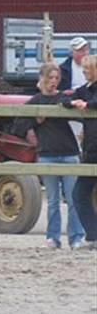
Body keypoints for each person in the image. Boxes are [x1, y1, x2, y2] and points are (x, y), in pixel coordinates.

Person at [16, 63, 84, 249]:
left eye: (56, 78)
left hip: (69, 153)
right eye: (50, 78)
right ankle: (53, 237)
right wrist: (35, 120)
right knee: (53, 200)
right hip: (47, 154)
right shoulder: (34, 101)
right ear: (43, 79)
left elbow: (81, 115)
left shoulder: (62, 98)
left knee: (72, 198)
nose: (53, 82)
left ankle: (76, 237)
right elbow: (18, 126)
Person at [64, 54, 97, 250]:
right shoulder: (86, 90)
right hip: (91, 150)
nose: (83, 72)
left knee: (81, 193)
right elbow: (65, 98)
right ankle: (93, 235)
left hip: (94, 150)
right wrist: (73, 103)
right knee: (79, 193)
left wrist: (87, 105)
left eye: (86, 69)